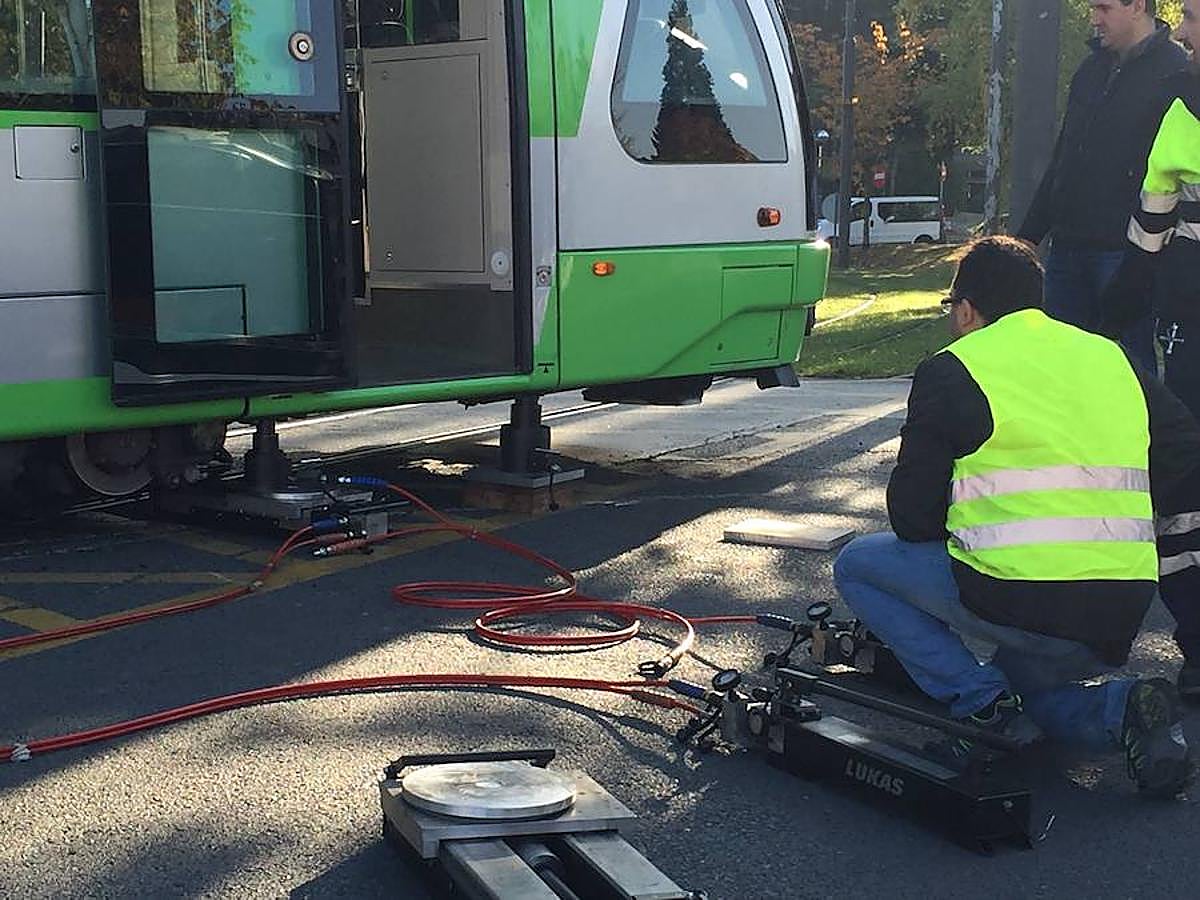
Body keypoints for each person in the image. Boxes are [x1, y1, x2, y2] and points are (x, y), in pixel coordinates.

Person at [833, 236, 1197, 797]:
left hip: (1015, 600)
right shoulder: (1110, 356)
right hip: (1117, 609)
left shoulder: (953, 368)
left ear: (965, 309)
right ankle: (1120, 710)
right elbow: (1182, 455)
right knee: (1031, 698)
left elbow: (911, 519)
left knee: (857, 564)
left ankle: (978, 703)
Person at [1100, 0, 1200, 704]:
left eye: (1196, 17)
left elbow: (1154, 214)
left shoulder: (1187, 104)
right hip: (1187, 318)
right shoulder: (1184, 99)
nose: (1186, 31)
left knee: (1186, 479)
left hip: (1190, 319)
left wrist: (1128, 293)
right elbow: (1156, 204)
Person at [1016, 0, 1188, 373]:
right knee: (1064, 370)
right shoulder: (1090, 70)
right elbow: (1064, 158)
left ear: (1137, 6)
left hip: (1126, 253)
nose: (1095, 19)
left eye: (1104, 8)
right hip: (1067, 250)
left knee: (1130, 371)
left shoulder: (1174, 72)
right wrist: (1028, 235)